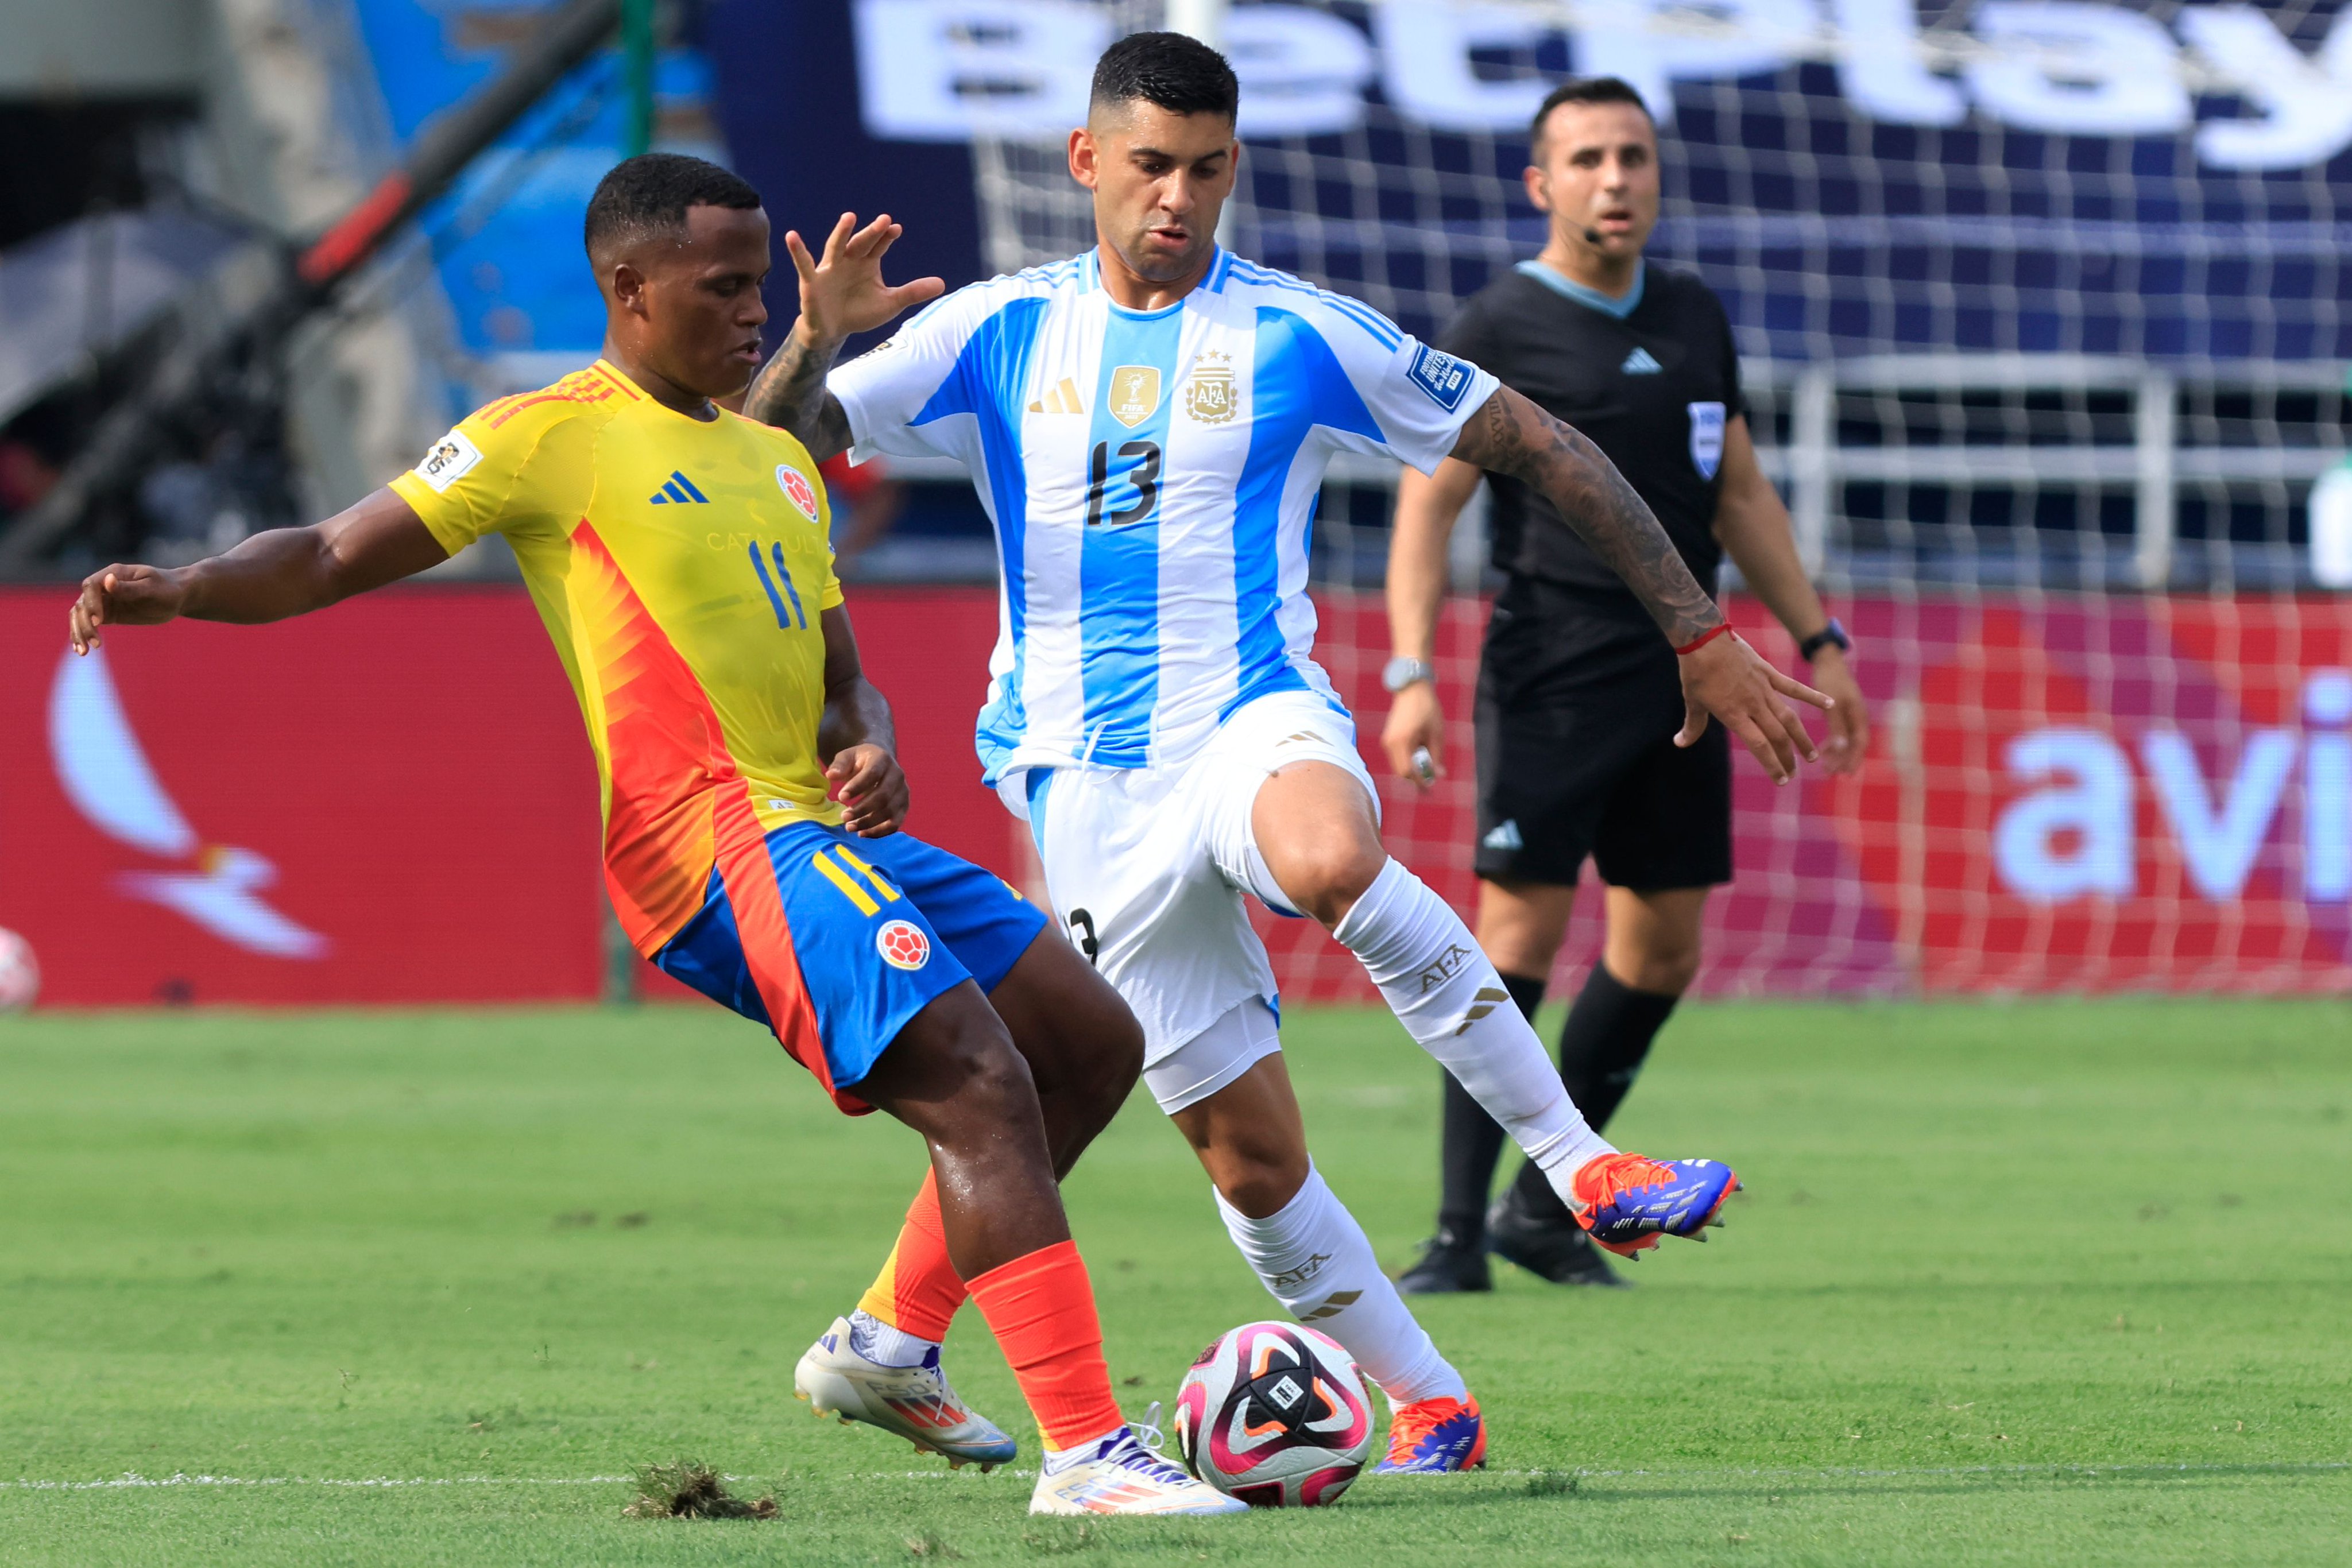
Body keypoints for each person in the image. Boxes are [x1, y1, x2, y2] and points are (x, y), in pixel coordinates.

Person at [64, 153, 1242, 1520]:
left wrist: (871, 739)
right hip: (711, 842)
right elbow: (333, 552)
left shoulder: (778, 465)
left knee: (1088, 1040)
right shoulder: (544, 435)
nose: (755, 312)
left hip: (816, 822)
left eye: (761, 286)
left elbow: (838, 667)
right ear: (627, 287)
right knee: (977, 1082)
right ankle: (1088, 1453)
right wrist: (189, 588)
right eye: (725, 286)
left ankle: (887, 1342)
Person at [746, 34, 1827, 1475]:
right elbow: (763, 457)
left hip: (1253, 713)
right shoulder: (992, 330)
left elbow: (1544, 445)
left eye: (1202, 171)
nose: (1173, 200)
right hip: (1081, 784)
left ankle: (1586, 1167)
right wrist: (815, 338)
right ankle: (1426, 1393)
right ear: (1086, 163)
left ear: (1232, 169)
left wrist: (1700, 629)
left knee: (1327, 853)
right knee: (1248, 1160)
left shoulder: (1301, 331)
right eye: (1145, 168)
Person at [1382, 78, 1871, 1296]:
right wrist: (1408, 671)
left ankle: (1542, 1213)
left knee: (1661, 948)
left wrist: (1818, 641)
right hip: (1550, 662)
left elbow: (1740, 492)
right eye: (1588, 159)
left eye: (1633, 157)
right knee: (1513, 942)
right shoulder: (1498, 320)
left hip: (1689, 667)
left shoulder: (1697, 313)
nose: (1615, 178)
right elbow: (1426, 502)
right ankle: (1454, 1234)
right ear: (1540, 183)